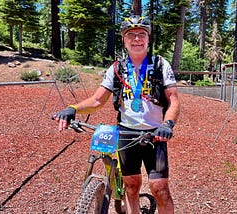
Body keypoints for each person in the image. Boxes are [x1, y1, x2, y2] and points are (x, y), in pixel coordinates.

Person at [53, 15, 180, 214]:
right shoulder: (117, 68)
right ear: (124, 40)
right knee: (131, 186)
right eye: (131, 35)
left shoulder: (160, 65)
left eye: (141, 34)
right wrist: (73, 109)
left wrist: (168, 124)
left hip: (155, 135)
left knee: (160, 188)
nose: (137, 39)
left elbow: (173, 100)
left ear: (148, 39)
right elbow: (97, 100)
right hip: (126, 134)